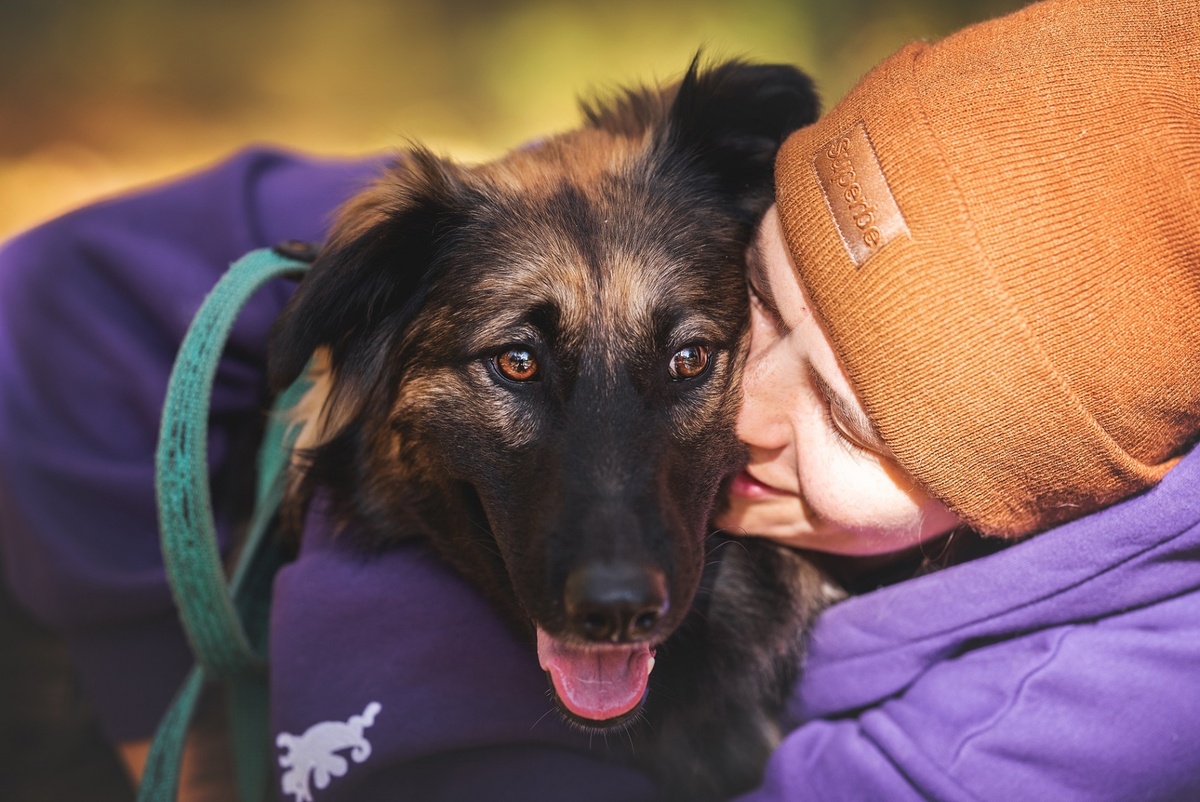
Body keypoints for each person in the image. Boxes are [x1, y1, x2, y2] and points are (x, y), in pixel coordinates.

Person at [2, 0, 1198, 800]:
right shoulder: (539, 218)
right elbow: (56, 299)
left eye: (848, 421)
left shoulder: (1104, 698)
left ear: (1011, 502)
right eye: (761, 320)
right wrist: (147, 678)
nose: (757, 414)